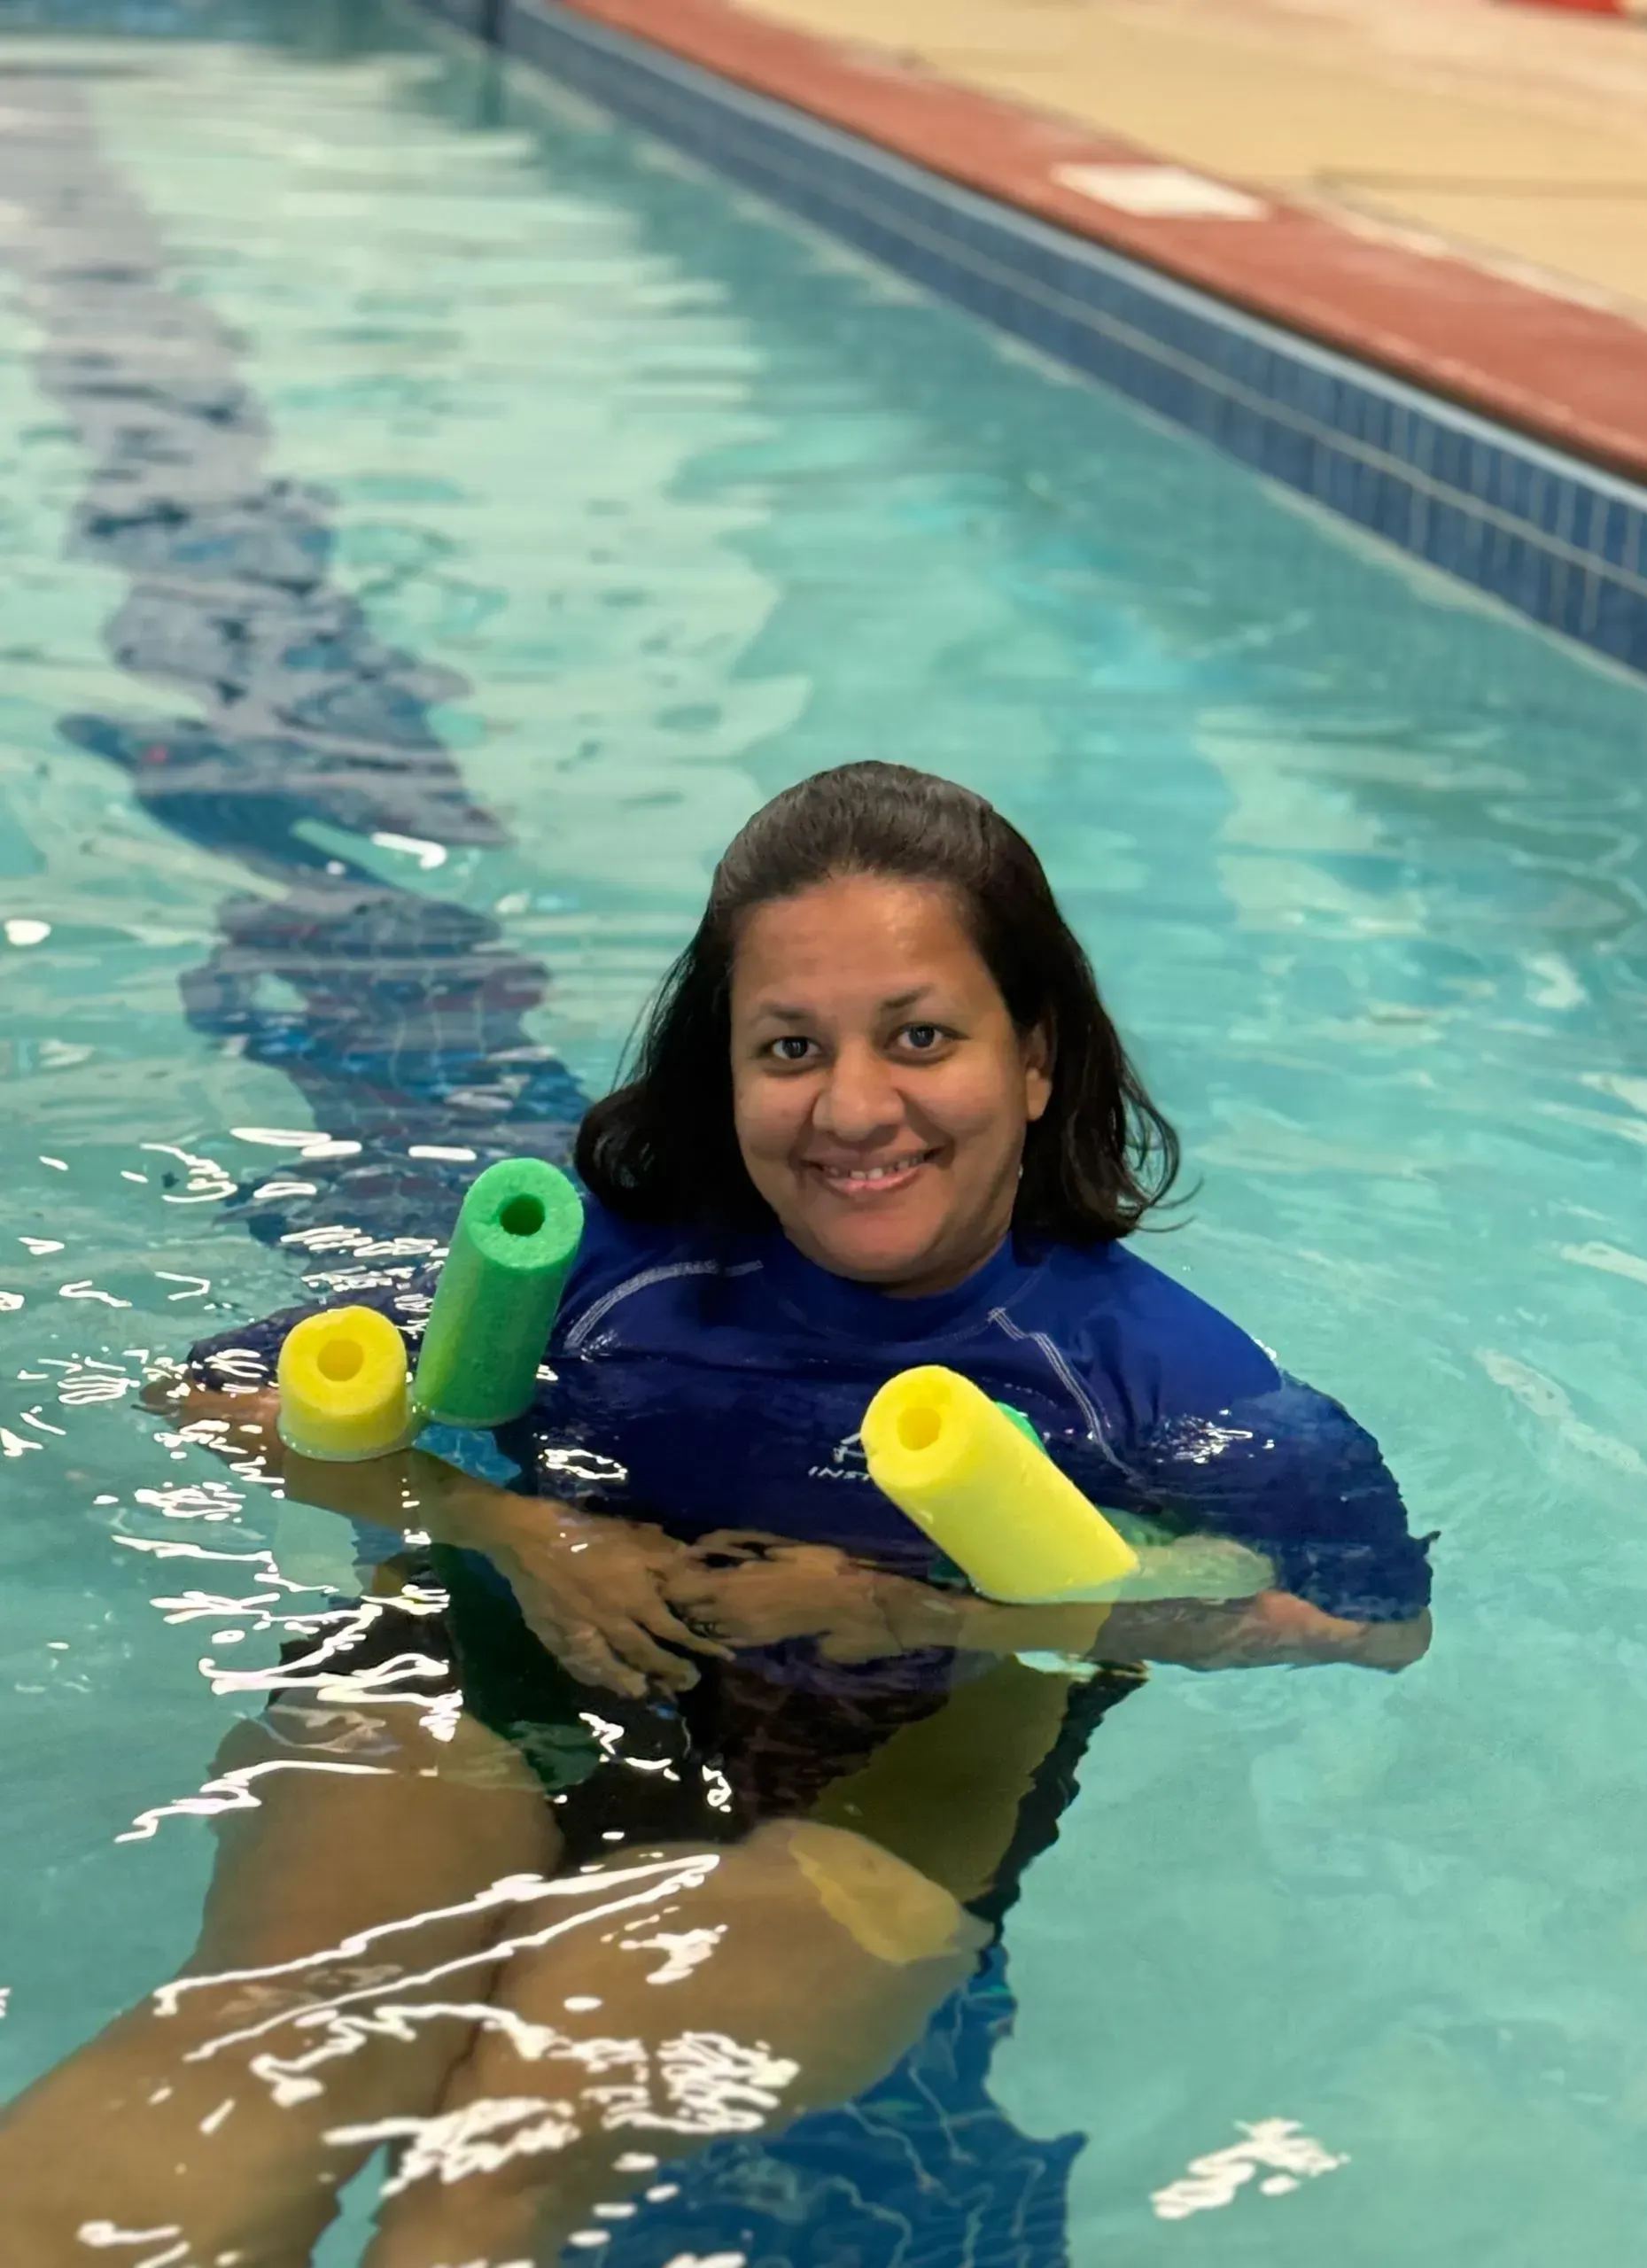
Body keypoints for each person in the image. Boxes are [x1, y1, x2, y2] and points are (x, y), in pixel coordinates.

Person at [0, 763, 1432, 2267]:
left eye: (922, 1036)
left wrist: (926, 1613)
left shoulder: (1154, 1381)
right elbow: (213, 1396)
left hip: (881, 1769)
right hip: (490, 1669)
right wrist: (524, 1536)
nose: (854, 1107)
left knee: (507, 2155)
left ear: (1036, 1060)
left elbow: (1368, 1624)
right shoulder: (605, 1277)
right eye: (790, 1047)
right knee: (272, 2048)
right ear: (727, 1070)